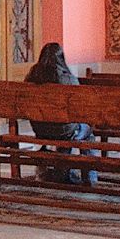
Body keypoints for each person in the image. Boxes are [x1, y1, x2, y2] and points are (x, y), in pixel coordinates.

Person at [24, 42, 97, 186]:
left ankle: (60, 173)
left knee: (66, 129)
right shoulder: (67, 79)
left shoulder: (31, 77)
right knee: (85, 131)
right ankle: (89, 177)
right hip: (64, 130)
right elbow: (80, 105)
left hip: (40, 128)